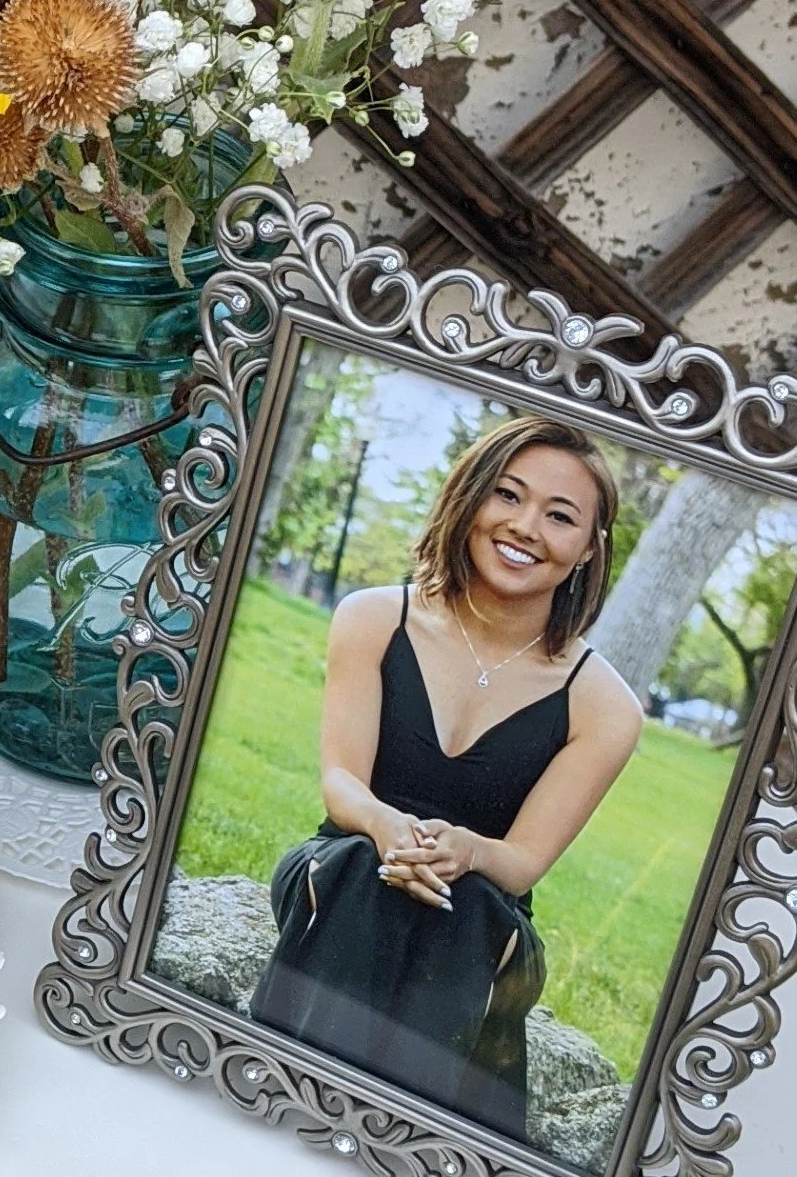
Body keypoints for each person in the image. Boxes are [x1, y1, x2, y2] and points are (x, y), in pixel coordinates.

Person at [249, 413, 642, 1140]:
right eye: (508, 495)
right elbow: (340, 786)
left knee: (464, 910)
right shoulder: (372, 618)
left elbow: (521, 865)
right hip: (340, 864)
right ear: (470, 498)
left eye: (561, 516)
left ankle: (413, 1147)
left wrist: (465, 849)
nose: (527, 527)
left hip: (483, 914)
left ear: (590, 547)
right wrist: (386, 827)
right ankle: (298, 1107)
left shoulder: (604, 704)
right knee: (367, 872)